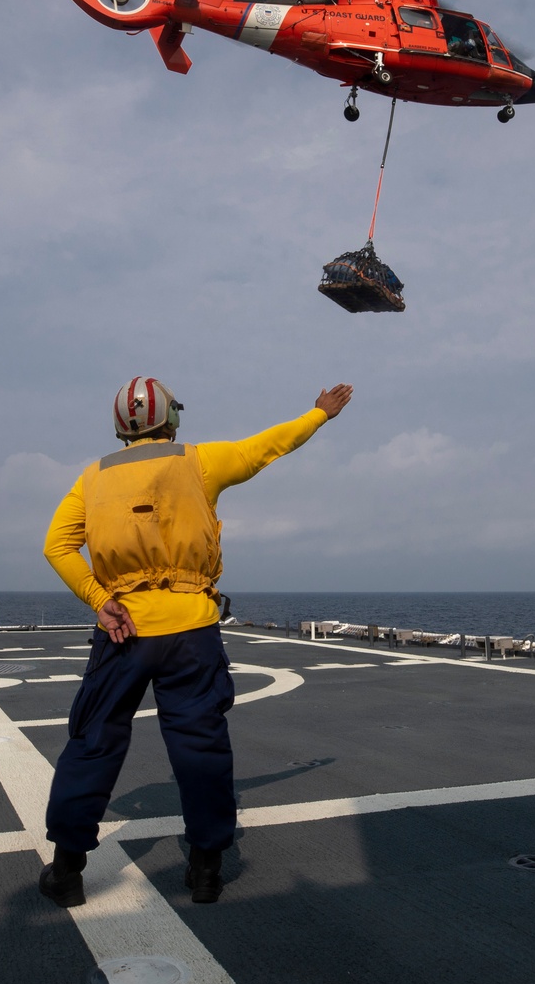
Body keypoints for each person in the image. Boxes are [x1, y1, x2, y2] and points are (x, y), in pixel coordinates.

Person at [39, 376, 353, 908]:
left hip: (121, 632)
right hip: (191, 631)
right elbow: (267, 446)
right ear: (171, 419)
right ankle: (206, 869)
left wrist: (100, 598)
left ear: (121, 426)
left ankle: (68, 870)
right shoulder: (199, 461)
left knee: (93, 743)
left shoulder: (91, 478)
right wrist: (318, 413)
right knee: (200, 746)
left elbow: (57, 547)